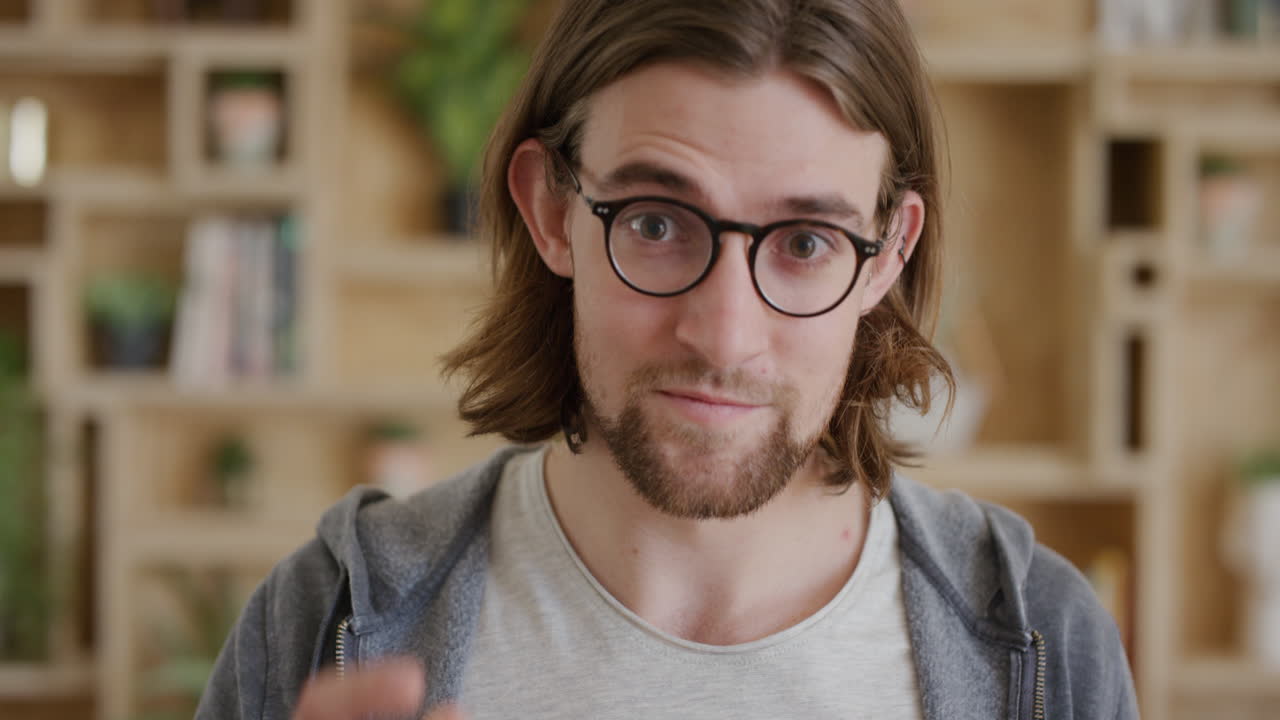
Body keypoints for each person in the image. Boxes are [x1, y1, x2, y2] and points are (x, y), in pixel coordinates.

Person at [197, 1, 1139, 718]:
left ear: (888, 254)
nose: (724, 336)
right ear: (550, 209)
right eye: (655, 224)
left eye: (806, 240)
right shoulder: (322, 620)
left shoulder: (1045, 644)